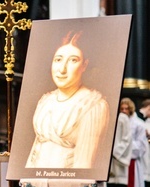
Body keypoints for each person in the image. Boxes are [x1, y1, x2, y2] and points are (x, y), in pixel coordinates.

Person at [25, 31, 109, 168]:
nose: (62, 69)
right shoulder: (46, 100)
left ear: (84, 65)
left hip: (68, 186)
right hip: (35, 185)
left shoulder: (93, 105)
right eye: (58, 59)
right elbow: (35, 152)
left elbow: (85, 164)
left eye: (73, 60)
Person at [120, 98, 148, 187]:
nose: (124, 111)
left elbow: (142, 145)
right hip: (121, 159)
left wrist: (127, 146)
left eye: (127, 108)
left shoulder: (139, 124)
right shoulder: (119, 122)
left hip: (133, 160)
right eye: (122, 109)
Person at [103, 112, 132, 187]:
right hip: (106, 160)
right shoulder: (104, 115)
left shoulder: (123, 118)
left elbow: (127, 138)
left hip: (117, 160)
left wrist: (115, 151)